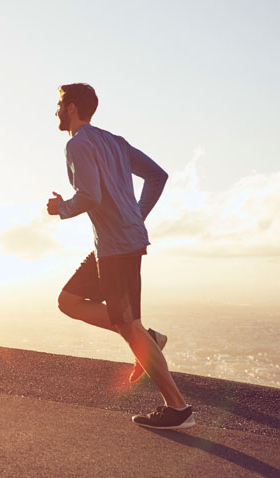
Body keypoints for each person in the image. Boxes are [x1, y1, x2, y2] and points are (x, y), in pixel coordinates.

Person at [47, 83, 194, 429]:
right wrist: (136, 213)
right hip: (115, 243)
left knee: (128, 326)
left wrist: (60, 208)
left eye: (58, 104)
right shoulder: (114, 141)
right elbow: (158, 176)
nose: (55, 110)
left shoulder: (77, 144)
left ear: (71, 108)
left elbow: (90, 196)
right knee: (68, 301)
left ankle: (177, 408)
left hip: (117, 248)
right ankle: (150, 339)